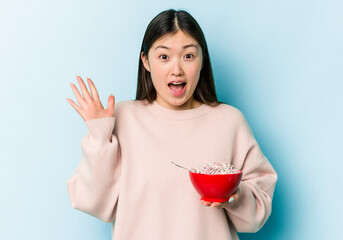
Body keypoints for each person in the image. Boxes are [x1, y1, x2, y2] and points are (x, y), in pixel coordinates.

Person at [66, 9, 277, 240]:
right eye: (164, 57)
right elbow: (94, 203)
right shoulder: (122, 118)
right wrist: (99, 135)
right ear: (146, 61)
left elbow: (258, 213)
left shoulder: (229, 122)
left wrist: (234, 194)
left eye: (188, 56)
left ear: (202, 60)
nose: (176, 69)